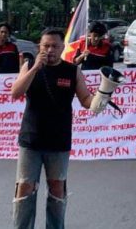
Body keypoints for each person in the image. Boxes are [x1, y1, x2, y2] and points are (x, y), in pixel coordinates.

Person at [10, 28, 95, 228]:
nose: (50, 50)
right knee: (24, 188)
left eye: (55, 46)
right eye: (45, 46)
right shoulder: (29, 66)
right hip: (31, 140)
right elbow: (15, 92)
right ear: (39, 47)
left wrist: (102, 97)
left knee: (57, 189)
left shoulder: (72, 70)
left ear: (62, 48)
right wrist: (34, 69)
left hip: (59, 140)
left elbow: (85, 99)